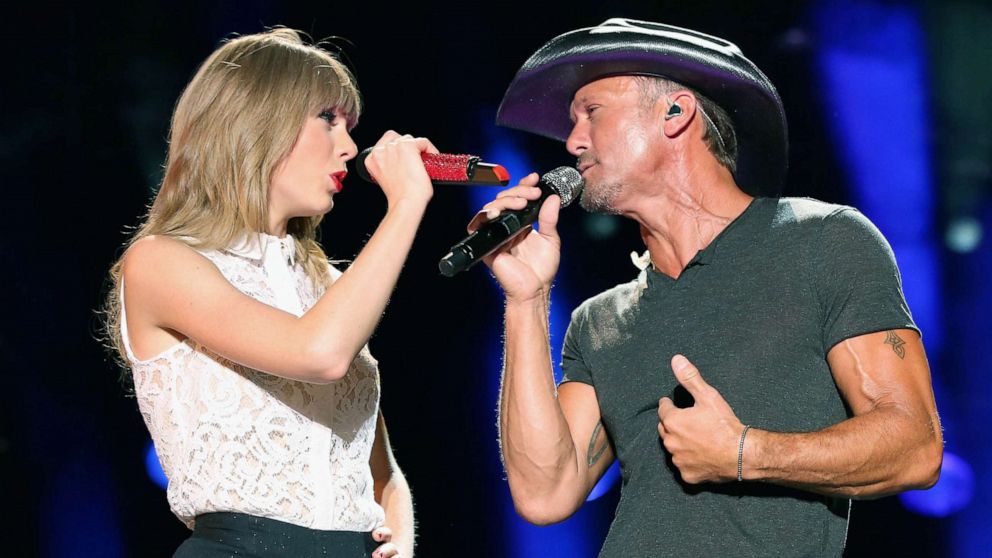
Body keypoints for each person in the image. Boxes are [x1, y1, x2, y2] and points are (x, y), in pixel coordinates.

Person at [473, 18, 943, 557]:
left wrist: (745, 452)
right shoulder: (599, 320)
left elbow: (915, 447)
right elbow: (544, 494)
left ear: (675, 112)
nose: (573, 140)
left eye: (592, 112)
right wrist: (526, 299)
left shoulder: (822, 240)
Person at [102, 28, 433, 557]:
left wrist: (403, 539)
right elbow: (318, 353)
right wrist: (407, 204)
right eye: (328, 118)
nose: (349, 146)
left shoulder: (330, 286)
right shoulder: (162, 262)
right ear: (256, 123)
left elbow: (380, 471)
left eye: (349, 127)